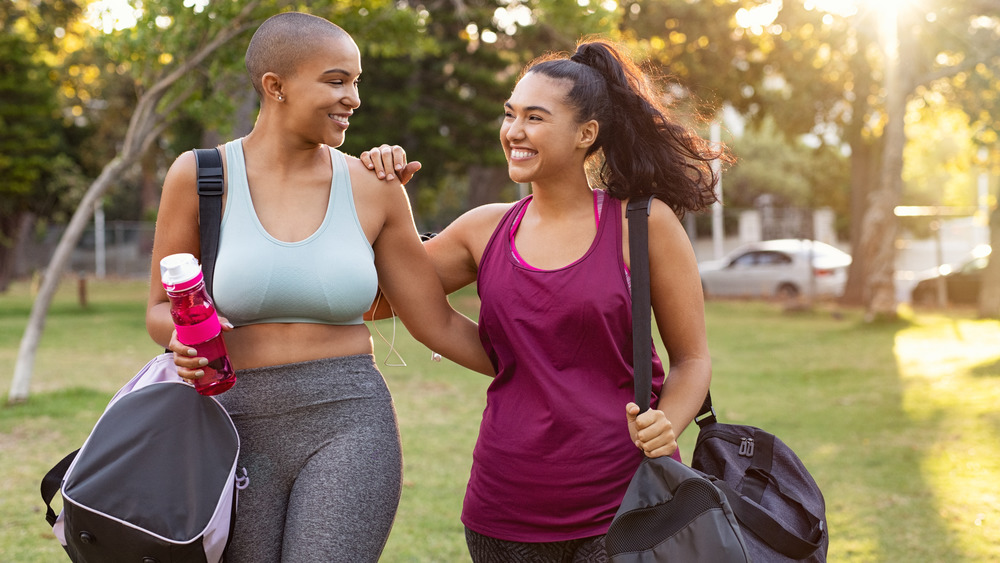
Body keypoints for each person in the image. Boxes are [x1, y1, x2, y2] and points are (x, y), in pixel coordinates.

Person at [145, 12, 493, 563]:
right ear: (275, 86)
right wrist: (183, 339)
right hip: (229, 424)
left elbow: (436, 320)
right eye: (336, 81)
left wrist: (540, 370)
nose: (353, 98)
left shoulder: (374, 187)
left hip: (350, 419)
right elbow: (160, 310)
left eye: (356, 82)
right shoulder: (200, 176)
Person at [363, 39, 727, 561]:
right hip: (506, 508)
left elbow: (693, 359)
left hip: (630, 502)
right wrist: (385, 199)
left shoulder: (642, 224)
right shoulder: (482, 230)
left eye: (535, 117)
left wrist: (667, 418)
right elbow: (376, 301)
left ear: (586, 134)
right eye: (510, 114)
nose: (514, 131)